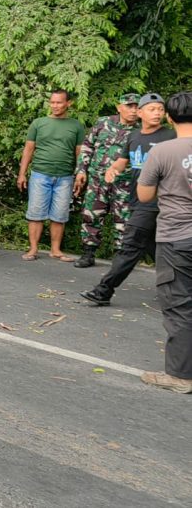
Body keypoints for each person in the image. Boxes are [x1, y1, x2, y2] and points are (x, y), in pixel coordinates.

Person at [80, 94, 173, 306]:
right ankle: (176, 289)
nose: (157, 113)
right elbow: (121, 162)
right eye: (152, 109)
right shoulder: (134, 137)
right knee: (158, 249)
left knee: (129, 247)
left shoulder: (170, 137)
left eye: (160, 109)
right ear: (140, 113)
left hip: (158, 203)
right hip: (137, 201)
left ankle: (103, 290)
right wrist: (111, 170)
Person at [134, 91, 192, 394]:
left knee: (179, 304)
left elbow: (144, 195)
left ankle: (181, 376)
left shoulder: (163, 150)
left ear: (169, 117)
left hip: (176, 236)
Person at [72, 93, 141, 267]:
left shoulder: (141, 131)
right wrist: (82, 170)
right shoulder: (103, 122)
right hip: (98, 179)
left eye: (136, 107)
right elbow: (88, 146)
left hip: (125, 182)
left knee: (124, 219)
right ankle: (88, 253)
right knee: (91, 214)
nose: (133, 110)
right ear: (119, 107)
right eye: (129, 106)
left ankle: (120, 258)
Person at [17, 90, 86, 262]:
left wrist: (80, 174)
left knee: (59, 215)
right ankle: (33, 249)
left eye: (59, 102)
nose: (55, 106)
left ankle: (56, 250)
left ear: (68, 103)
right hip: (40, 174)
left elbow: (80, 153)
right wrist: (22, 174)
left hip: (65, 176)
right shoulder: (39, 123)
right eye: (52, 102)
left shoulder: (76, 125)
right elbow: (28, 150)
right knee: (35, 213)